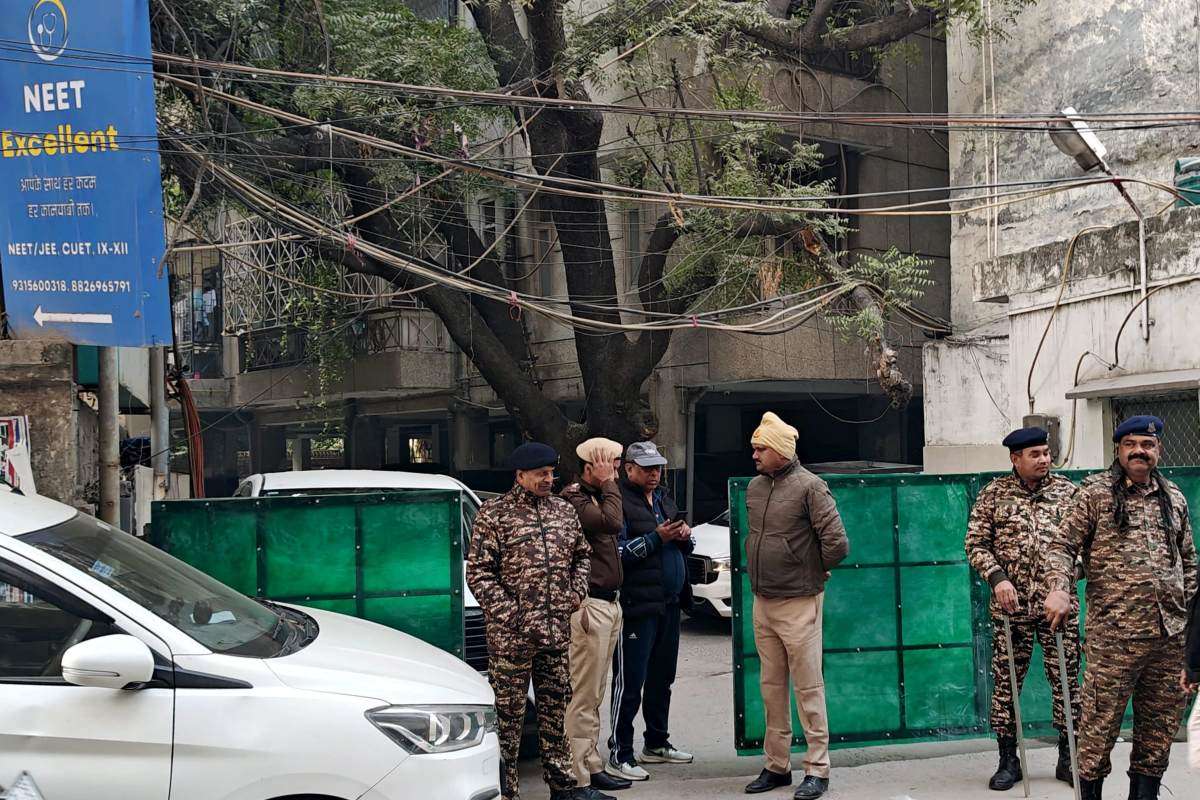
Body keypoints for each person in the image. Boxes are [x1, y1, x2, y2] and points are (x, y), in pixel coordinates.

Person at [1044, 416, 1198, 800]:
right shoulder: (1095, 494)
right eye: (1130, 444)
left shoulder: (1174, 498)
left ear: (1158, 450)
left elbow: (1189, 562)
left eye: (1146, 444)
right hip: (1114, 641)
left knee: (1158, 733)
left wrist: (1193, 630)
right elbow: (1062, 547)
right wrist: (1060, 589)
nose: (1138, 451)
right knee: (1098, 731)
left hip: (1169, 640)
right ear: (1118, 449)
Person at [466, 442, 592, 800]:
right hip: (512, 641)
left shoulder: (563, 512)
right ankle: (507, 792)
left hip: (555, 636)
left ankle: (564, 787)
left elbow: (583, 556)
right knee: (508, 720)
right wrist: (515, 616)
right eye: (540, 474)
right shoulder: (495, 514)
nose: (547, 479)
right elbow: (479, 574)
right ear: (520, 476)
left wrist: (576, 593)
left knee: (555, 712)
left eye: (551, 473)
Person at [965, 426, 1080, 790]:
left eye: (1046, 453)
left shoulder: (1069, 494)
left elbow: (1089, 548)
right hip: (1010, 609)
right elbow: (976, 544)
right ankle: (1007, 760)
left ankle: (1068, 755)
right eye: (1035, 454)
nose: (1044, 460)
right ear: (1015, 459)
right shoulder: (994, 495)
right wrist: (998, 578)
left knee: (1067, 683)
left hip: (1057, 608)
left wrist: (1062, 585)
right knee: (1006, 685)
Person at [741, 412, 848, 800]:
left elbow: (837, 543)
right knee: (771, 688)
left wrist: (811, 573)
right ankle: (777, 765)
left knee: (808, 687)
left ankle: (818, 769)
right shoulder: (754, 487)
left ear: (782, 451)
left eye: (761, 447)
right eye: (754, 447)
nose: (754, 453)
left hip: (799, 602)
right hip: (763, 600)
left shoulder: (811, 487)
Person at [606, 440, 694, 782]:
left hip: (669, 602)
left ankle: (656, 743)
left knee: (662, 679)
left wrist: (683, 536)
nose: (654, 474)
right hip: (637, 606)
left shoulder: (663, 498)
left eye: (657, 468)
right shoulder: (619, 502)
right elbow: (619, 553)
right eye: (646, 468)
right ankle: (620, 751)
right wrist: (658, 538)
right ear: (628, 468)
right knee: (630, 682)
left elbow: (680, 543)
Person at [561, 438, 630, 797]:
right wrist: (608, 485)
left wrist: (606, 487)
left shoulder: (595, 496)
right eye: (611, 465)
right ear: (592, 467)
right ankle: (577, 777)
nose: (615, 473)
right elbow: (613, 522)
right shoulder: (574, 499)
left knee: (597, 691)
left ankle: (591, 763)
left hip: (609, 604)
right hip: (590, 606)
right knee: (582, 695)